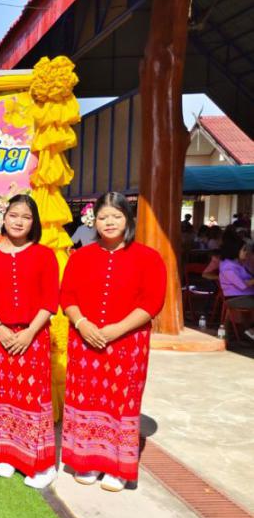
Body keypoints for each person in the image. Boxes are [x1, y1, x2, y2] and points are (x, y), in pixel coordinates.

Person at [61, 191, 166, 492]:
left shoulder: (148, 257)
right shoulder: (80, 257)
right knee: (86, 399)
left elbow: (152, 302)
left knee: (120, 402)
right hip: (84, 341)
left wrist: (116, 330)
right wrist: (82, 323)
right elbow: (67, 296)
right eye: (103, 217)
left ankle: (117, 467)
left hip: (127, 343)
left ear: (128, 219)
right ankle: (86, 460)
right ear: (94, 221)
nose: (109, 222)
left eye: (116, 216)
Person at [0, 195, 59, 489]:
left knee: (34, 399)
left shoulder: (44, 255)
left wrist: (29, 332)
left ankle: (43, 464)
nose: (18, 221)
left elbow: (50, 300)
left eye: (26, 217)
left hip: (33, 336)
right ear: (4, 218)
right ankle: (9, 454)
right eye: (14, 215)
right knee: (2, 396)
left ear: (34, 222)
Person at [218, 237, 254, 340]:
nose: (246, 252)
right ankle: (251, 330)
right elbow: (241, 284)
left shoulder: (238, 264)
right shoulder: (227, 266)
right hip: (236, 298)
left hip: (246, 296)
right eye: (244, 250)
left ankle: (250, 330)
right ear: (235, 250)